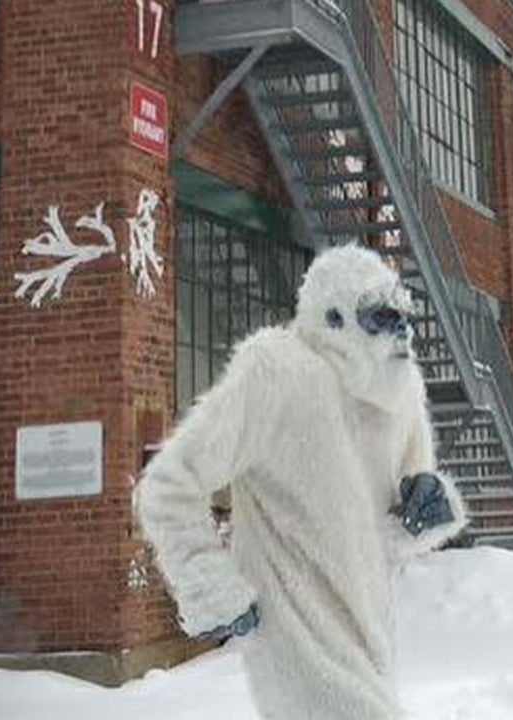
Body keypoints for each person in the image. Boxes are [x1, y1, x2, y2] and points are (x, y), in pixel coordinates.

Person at [134, 244, 469, 720]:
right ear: (334, 319)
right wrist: (207, 579)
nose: (401, 332)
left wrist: (429, 510)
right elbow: (168, 485)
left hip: (371, 628)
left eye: (402, 317)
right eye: (381, 317)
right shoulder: (278, 374)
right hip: (293, 627)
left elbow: (389, 529)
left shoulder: (400, 390)